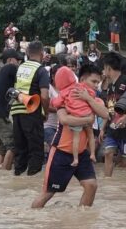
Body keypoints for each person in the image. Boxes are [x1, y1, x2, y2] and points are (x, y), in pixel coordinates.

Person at [32, 63, 109, 209]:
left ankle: (80, 224)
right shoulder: (66, 96)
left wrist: (88, 99)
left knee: (91, 185)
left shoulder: (94, 99)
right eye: (93, 81)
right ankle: (32, 223)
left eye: (98, 83)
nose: (96, 85)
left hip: (81, 154)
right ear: (82, 79)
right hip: (61, 152)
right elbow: (64, 119)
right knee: (48, 193)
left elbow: (105, 114)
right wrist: (87, 120)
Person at [11, 41, 50, 176]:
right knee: (36, 150)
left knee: (20, 150)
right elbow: (44, 96)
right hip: (32, 112)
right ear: (42, 53)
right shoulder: (41, 70)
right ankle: (32, 185)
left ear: (27, 53)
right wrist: (46, 112)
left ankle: (18, 177)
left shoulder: (20, 67)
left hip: (16, 112)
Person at [100, 52, 126, 177]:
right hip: (113, 126)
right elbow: (110, 108)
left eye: (103, 68)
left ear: (108, 68)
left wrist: (125, 117)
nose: (103, 71)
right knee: (108, 153)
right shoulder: (110, 86)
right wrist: (103, 127)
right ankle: (108, 181)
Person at [0, 49, 24, 170]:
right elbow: (26, 78)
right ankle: (4, 174)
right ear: (10, 60)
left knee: (2, 148)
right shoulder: (10, 68)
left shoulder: (2, 73)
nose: (19, 63)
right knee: (13, 146)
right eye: (18, 61)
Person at [50, 66, 98, 167]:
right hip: (87, 113)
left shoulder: (63, 92)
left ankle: (75, 159)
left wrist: (52, 102)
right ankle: (93, 154)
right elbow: (92, 94)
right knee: (91, 135)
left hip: (76, 116)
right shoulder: (81, 87)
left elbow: (57, 102)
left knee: (76, 138)